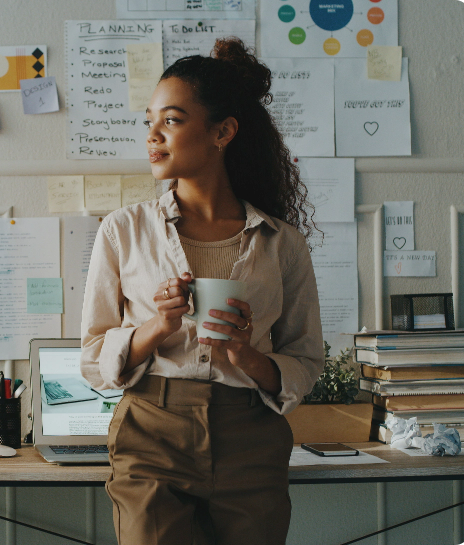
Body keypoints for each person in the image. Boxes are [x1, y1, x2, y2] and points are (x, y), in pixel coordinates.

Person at [80, 37, 325, 545]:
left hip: (251, 439)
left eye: (170, 120)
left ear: (223, 132)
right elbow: (93, 356)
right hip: (151, 432)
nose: (152, 136)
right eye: (148, 121)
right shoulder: (122, 230)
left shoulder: (283, 243)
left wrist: (245, 354)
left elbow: (306, 360)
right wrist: (159, 325)